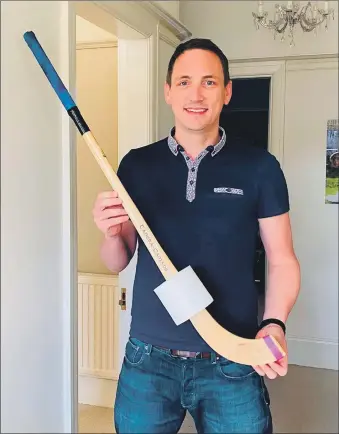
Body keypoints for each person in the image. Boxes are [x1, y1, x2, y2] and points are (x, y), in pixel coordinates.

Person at [92, 38, 301, 434]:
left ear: (227, 91)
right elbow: (119, 258)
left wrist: (274, 322)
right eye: (184, 81)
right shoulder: (136, 166)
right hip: (148, 359)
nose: (196, 94)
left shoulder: (260, 167)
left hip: (232, 355)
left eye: (209, 82)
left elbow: (282, 258)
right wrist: (110, 233)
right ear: (168, 91)